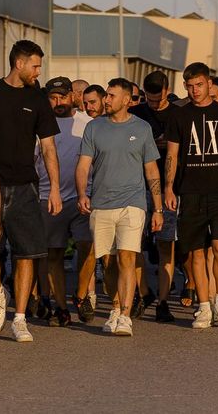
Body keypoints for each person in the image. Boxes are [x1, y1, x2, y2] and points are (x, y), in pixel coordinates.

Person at [0, 39, 61, 341]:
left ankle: (19, 319)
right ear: (19, 64)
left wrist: (55, 188)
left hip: (25, 187)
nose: (38, 72)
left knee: (27, 254)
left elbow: (48, 147)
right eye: (35, 66)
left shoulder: (38, 99)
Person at [164, 62, 218, 329]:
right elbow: (172, 155)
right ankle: (203, 306)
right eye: (189, 86)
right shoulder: (179, 115)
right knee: (196, 252)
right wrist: (168, 186)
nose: (194, 90)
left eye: (199, 85)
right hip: (190, 192)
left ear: (209, 83)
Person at [78, 78, 163, 336]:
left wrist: (157, 208)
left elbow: (151, 169)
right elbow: (83, 165)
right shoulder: (94, 128)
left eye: (112, 96)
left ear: (127, 100)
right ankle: (115, 306)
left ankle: (125, 314)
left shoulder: (143, 128)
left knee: (127, 256)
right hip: (101, 204)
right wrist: (82, 193)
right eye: (107, 95)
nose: (107, 100)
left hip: (133, 203)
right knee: (108, 262)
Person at [35, 77, 87, 326]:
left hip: (82, 198)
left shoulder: (87, 124)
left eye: (62, 97)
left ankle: (81, 294)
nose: (58, 102)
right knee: (53, 254)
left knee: (88, 247)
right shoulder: (40, 125)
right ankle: (61, 308)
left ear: (72, 97)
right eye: (53, 98)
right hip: (49, 198)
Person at [130, 69, 181, 321]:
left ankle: (163, 301)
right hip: (138, 187)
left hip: (167, 188)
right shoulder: (137, 113)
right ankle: (143, 291)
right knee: (133, 244)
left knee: (165, 245)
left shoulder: (177, 114)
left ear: (167, 92)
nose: (152, 104)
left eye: (157, 100)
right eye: (148, 99)